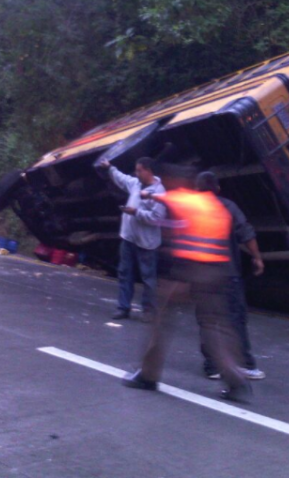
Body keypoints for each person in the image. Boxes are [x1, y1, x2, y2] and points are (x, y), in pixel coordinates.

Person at [122, 171, 251, 402]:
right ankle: (236, 380)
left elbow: (165, 198)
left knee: (161, 321)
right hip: (216, 274)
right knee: (213, 327)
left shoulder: (191, 200)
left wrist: (144, 193)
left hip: (187, 273)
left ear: (196, 187)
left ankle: (148, 376)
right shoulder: (219, 209)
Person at [194, 171, 266, 381]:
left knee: (207, 321)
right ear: (217, 188)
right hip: (227, 273)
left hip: (200, 275)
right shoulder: (228, 207)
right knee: (235, 319)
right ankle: (244, 364)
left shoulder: (190, 210)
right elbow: (246, 233)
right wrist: (257, 258)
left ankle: (212, 366)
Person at [98, 156, 166, 321]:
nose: (136, 173)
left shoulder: (159, 192)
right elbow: (122, 179)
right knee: (124, 273)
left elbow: (157, 218)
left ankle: (148, 311)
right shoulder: (136, 184)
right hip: (128, 237)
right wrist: (110, 168)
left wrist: (135, 213)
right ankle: (123, 308)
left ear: (148, 171)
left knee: (148, 278)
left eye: (139, 170)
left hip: (147, 243)